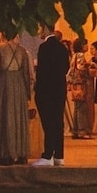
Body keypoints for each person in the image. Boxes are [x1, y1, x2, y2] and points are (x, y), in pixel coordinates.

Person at [0, 31, 34, 164]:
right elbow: (26, 73)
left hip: (3, 83)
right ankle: (21, 153)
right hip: (18, 85)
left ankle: (5, 154)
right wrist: (27, 92)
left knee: (4, 116)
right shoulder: (22, 51)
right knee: (18, 118)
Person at [34, 30, 73, 165]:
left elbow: (41, 71)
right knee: (58, 121)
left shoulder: (44, 48)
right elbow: (66, 68)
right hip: (59, 89)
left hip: (46, 90)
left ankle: (48, 154)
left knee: (48, 122)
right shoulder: (62, 48)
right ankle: (59, 155)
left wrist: (37, 88)